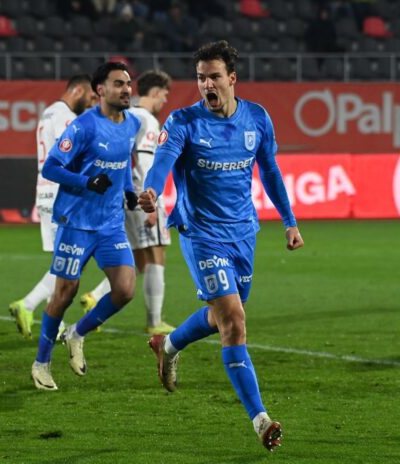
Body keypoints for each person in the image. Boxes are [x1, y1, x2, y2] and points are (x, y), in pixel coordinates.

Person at [138, 41, 304, 450]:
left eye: (213, 77)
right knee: (234, 321)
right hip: (201, 233)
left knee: (220, 316)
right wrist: (152, 191)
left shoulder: (257, 118)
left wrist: (289, 221)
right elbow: (162, 163)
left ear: (232, 78)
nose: (206, 85)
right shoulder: (183, 122)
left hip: (243, 232)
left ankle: (168, 344)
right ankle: (260, 419)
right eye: (200, 78)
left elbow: (270, 171)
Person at [30, 61, 141, 391]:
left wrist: (129, 191)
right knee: (65, 293)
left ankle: (77, 333)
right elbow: (51, 167)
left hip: (110, 223)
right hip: (76, 221)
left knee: (125, 289)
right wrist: (85, 181)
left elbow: (123, 162)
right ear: (100, 90)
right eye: (118, 84)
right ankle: (41, 364)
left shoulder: (132, 124)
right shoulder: (83, 126)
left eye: (128, 83)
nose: (126, 89)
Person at [79, 70, 175, 335]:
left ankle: (95, 297)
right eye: (164, 95)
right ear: (155, 92)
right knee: (156, 254)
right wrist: (149, 201)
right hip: (141, 195)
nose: (165, 101)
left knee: (137, 259)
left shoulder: (125, 115)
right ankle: (154, 321)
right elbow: (144, 162)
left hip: (122, 195)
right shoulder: (146, 120)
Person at [8, 75, 100, 340]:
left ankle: (46, 318)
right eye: (90, 97)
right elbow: (70, 155)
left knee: (64, 260)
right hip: (62, 196)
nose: (91, 103)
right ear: (78, 90)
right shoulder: (64, 116)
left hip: (45, 192)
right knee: (72, 261)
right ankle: (30, 306)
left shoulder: (48, 113)